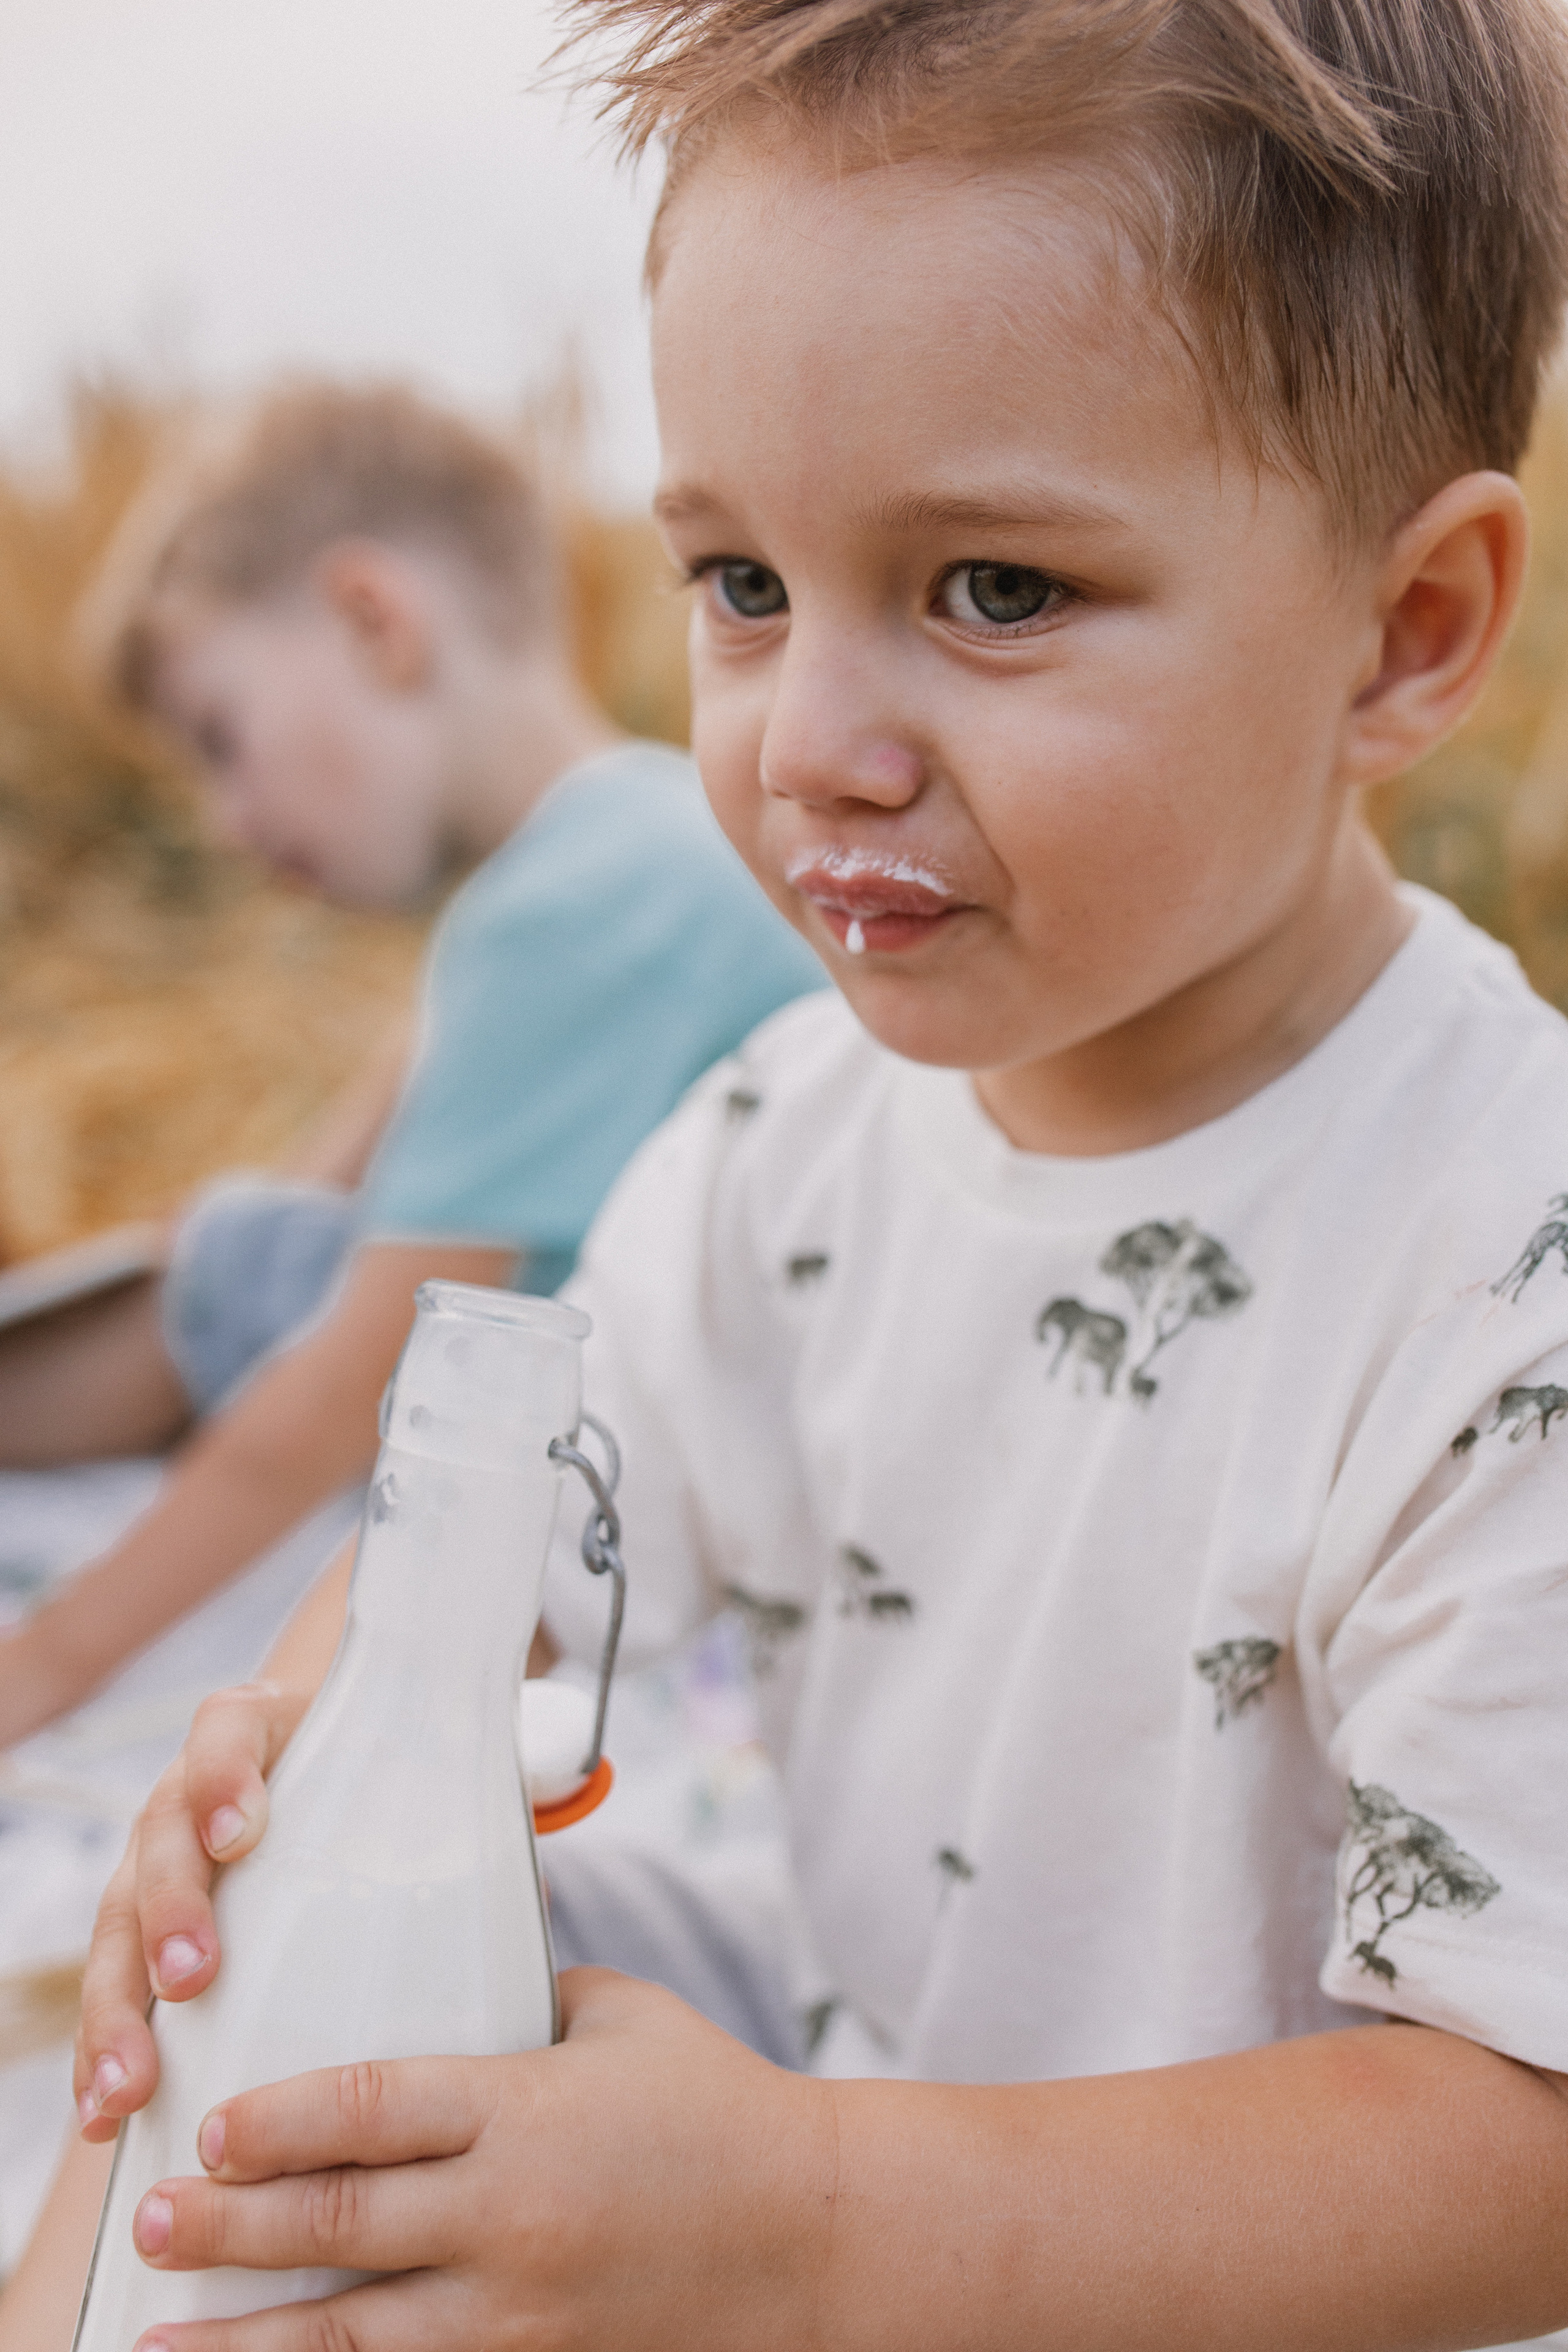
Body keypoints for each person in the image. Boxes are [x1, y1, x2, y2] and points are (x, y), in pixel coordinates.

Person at [18, 1, 1568, 2345]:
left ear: (1409, 631)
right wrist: (300, 1764)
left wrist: (815, 2227)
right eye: (740, 586)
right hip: (837, 2146)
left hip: (1213, 2287)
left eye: (995, 593)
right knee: (250, 2137)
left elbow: (1521, 2142)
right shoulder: (778, 1157)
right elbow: (483, 1546)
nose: (809, 747)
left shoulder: (1504, 1271)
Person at [0, 381, 823, 1752]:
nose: (226, 819)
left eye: (221, 737)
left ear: (376, 624)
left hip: (667, 1480)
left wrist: (40, 1669)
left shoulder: (574, 907)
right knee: (254, 1243)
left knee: (247, 1270)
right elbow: (316, 1189)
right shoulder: (616, 844)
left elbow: (338, 1387)